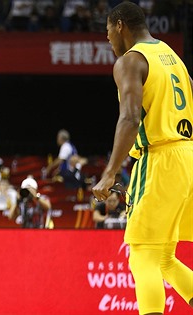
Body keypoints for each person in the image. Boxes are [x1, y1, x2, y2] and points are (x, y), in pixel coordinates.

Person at [92, 2, 193, 314]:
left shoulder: (131, 60)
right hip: (187, 156)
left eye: (108, 31)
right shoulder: (172, 56)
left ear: (120, 25)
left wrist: (110, 173)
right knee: (163, 256)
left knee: (141, 255)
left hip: (160, 158)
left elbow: (130, 118)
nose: (108, 39)